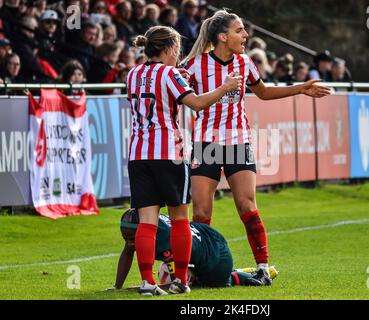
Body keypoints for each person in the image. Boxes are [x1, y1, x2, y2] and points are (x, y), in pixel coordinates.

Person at [182, 9, 330, 286]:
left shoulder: (245, 62)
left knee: (246, 205)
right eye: (240, 31)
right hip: (206, 144)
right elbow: (179, 95)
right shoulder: (194, 66)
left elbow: (263, 93)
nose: (246, 35)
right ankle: (196, 269)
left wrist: (300, 88)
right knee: (201, 213)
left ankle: (262, 267)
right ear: (223, 37)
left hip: (239, 142)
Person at [126, 25, 242, 296]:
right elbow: (198, 103)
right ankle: (180, 279)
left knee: (147, 222)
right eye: (177, 48)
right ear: (168, 48)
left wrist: (178, 77)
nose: (178, 53)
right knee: (180, 219)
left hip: (139, 154)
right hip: (169, 154)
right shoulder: (169, 74)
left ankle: (147, 282)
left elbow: (156, 89)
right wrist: (224, 87)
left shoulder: (133, 74)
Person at [109, 209, 279, 290]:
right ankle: (242, 271)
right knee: (183, 275)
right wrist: (118, 287)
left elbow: (176, 284)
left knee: (213, 283)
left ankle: (242, 275)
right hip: (203, 239)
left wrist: (135, 288)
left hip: (216, 253)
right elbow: (127, 252)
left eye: (132, 239)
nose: (130, 243)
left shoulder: (165, 242)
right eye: (126, 238)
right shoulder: (146, 224)